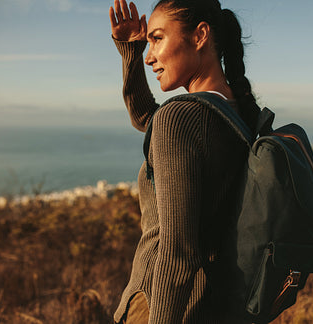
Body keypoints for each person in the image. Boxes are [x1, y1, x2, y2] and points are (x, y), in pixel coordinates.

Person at [109, 0, 260, 322]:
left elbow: (178, 255)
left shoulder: (180, 118)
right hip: (214, 303)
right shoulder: (240, 112)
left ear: (200, 35)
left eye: (158, 38)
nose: (150, 56)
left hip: (162, 307)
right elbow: (147, 120)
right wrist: (132, 51)